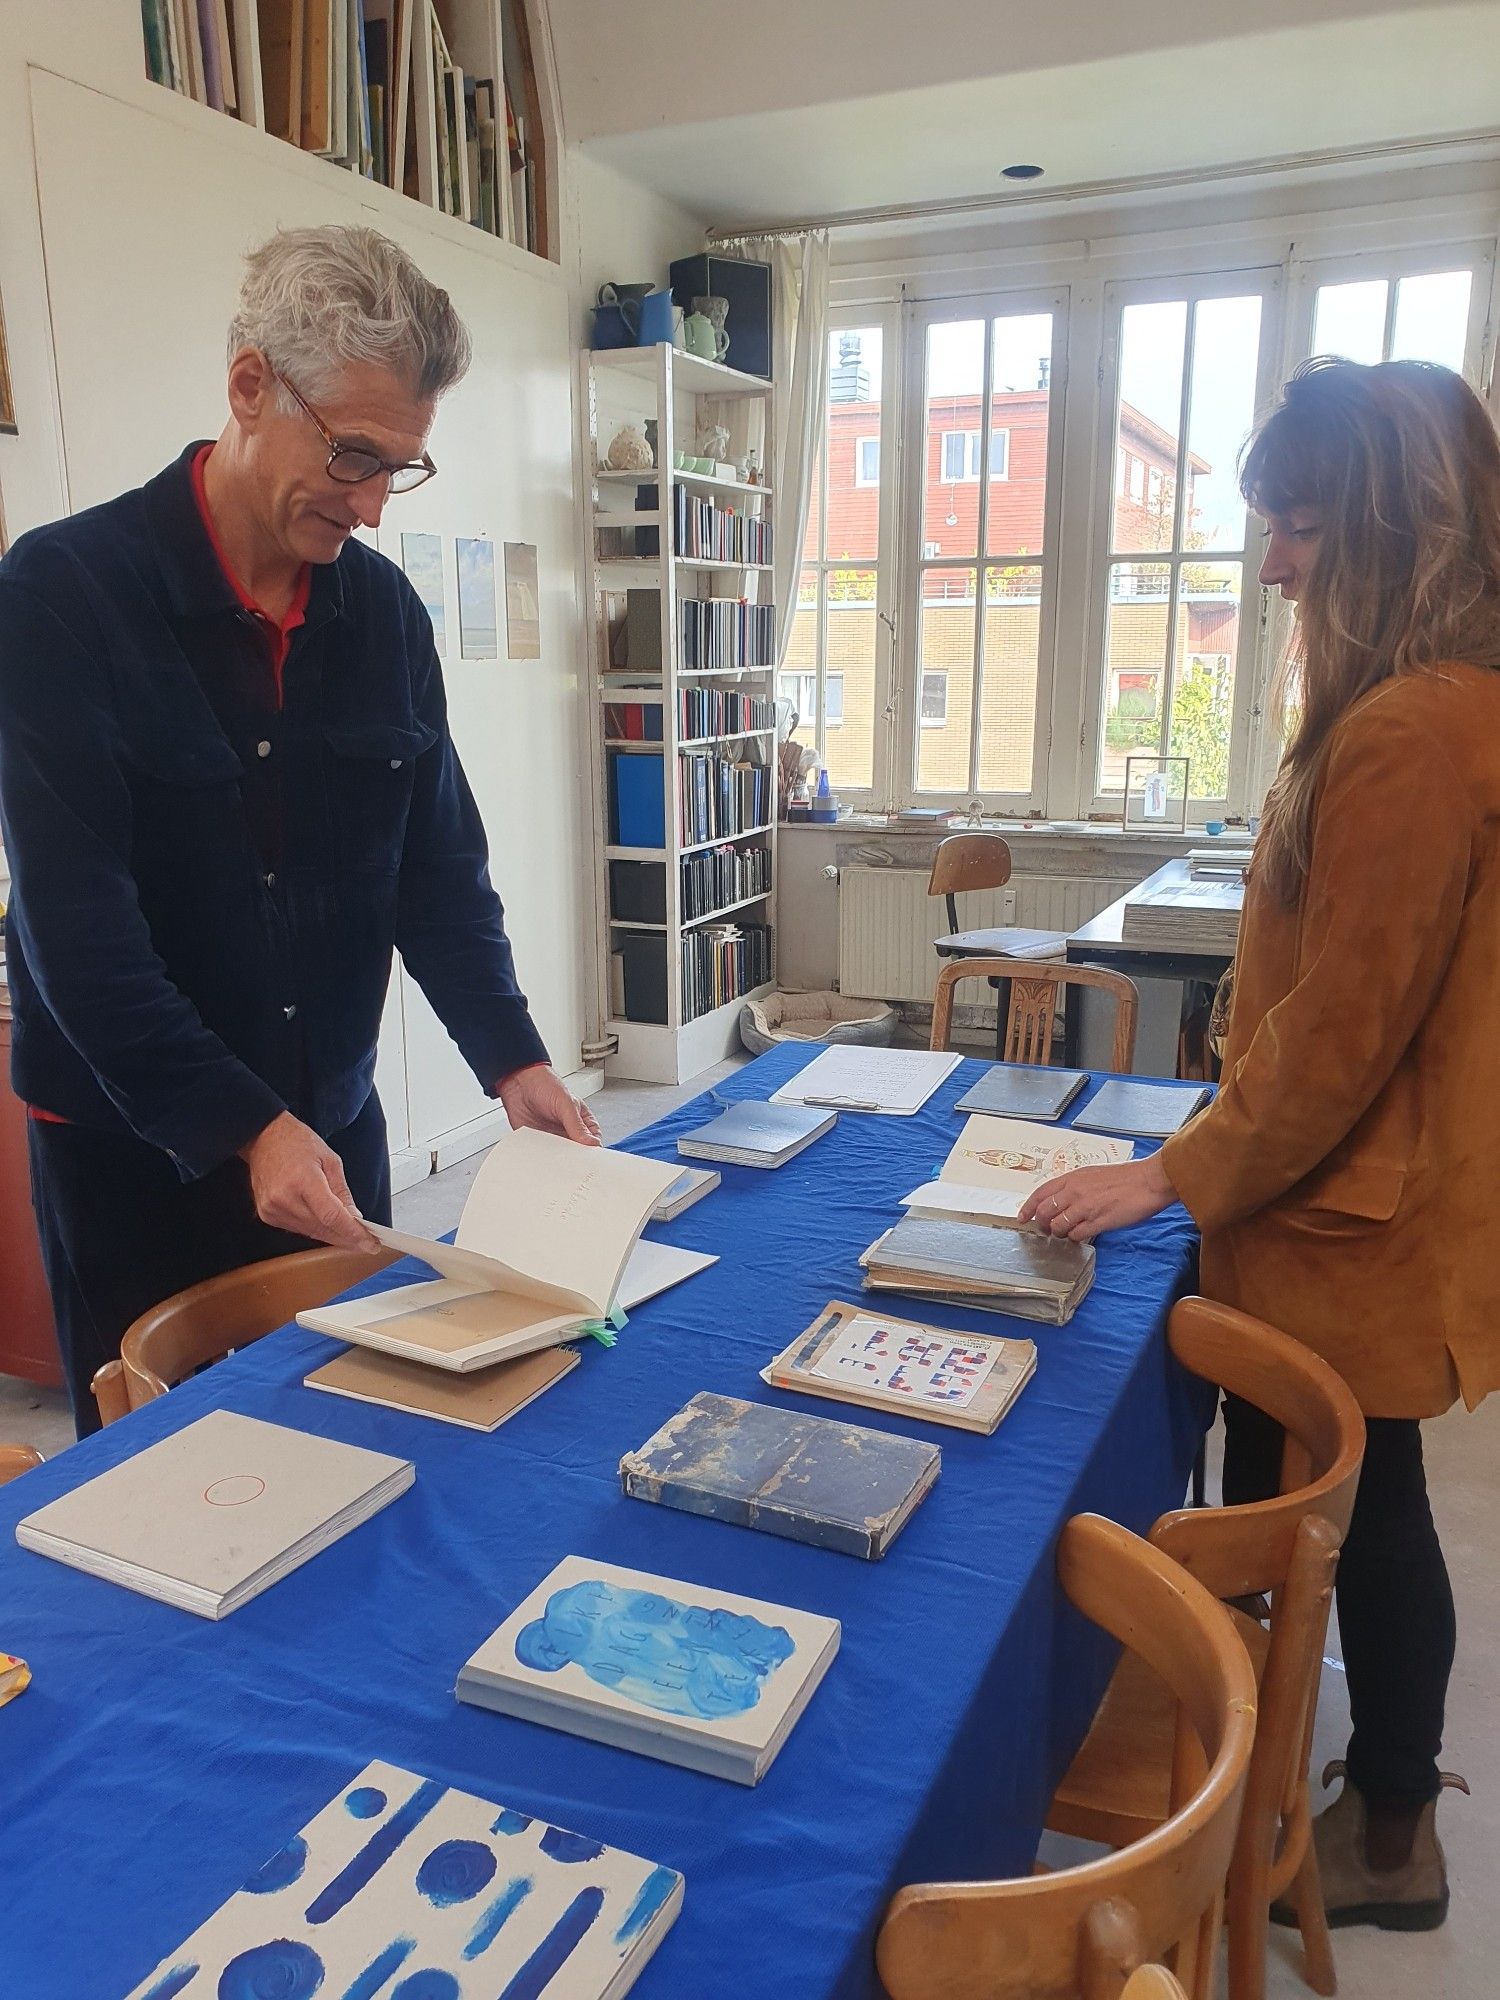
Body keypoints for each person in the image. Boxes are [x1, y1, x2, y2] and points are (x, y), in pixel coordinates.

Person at [1021, 357, 1500, 1931]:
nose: (1275, 559)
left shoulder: (1417, 731)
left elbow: (1342, 1039)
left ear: (1388, 526)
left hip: (1346, 1218)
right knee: (1348, 1498)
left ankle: (1383, 1830)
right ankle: (1320, 1760)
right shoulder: (1417, 705)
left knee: (1361, 1511)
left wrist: (1175, 1169)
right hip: (1351, 1203)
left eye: (1300, 523)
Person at [0, 224, 599, 1438]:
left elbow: (437, 873)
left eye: (400, 468)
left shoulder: (381, 614)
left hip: (328, 1124)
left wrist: (513, 1057)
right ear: (249, 386)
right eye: (354, 457)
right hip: (136, 1149)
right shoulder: (61, 596)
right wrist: (242, 1126)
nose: (375, 507)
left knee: (355, 1442)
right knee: (163, 1492)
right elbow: (78, 940)